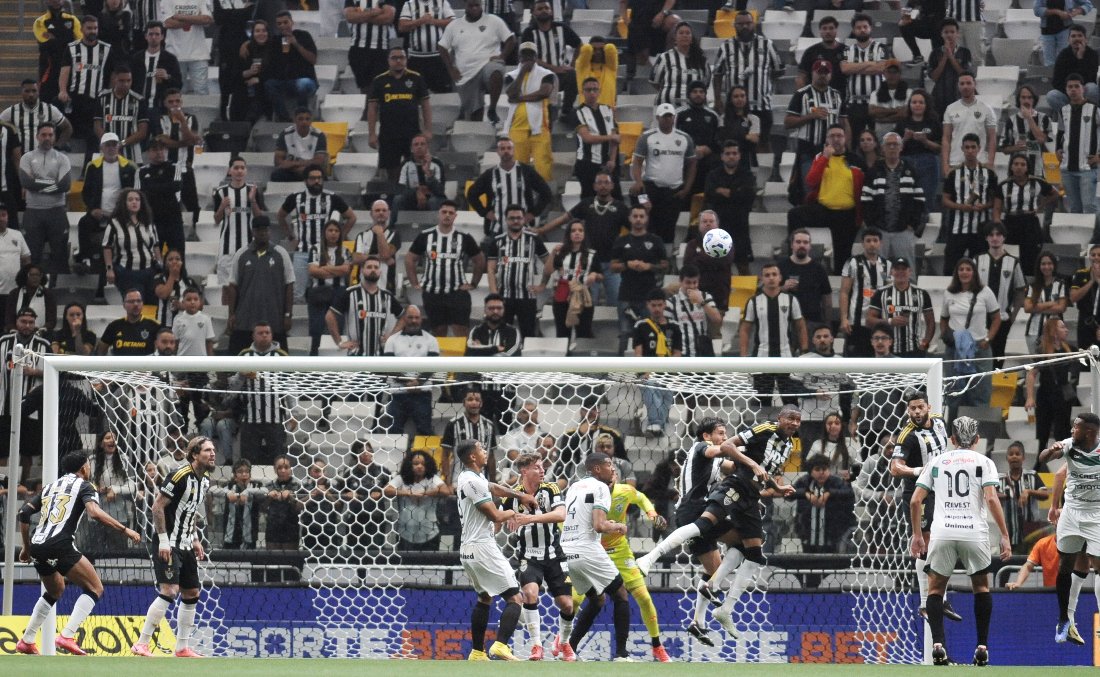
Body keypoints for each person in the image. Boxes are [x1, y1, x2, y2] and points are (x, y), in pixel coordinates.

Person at [637, 408, 801, 638]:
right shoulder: (702, 447)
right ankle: (649, 558)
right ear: (707, 435)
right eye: (721, 433)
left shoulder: (719, 461)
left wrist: (769, 482)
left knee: (723, 563)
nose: (724, 437)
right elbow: (725, 450)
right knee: (708, 534)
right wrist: (744, 450)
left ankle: (699, 621)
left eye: (725, 433)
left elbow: (736, 466)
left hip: (707, 504)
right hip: (692, 507)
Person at [14, 450, 140, 656]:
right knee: (95, 588)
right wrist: (125, 530)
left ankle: (27, 640)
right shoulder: (85, 485)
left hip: (38, 544)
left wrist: (27, 548)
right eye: (88, 464)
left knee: (55, 590)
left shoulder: (50, 487)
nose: (89, 467)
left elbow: (24, 513)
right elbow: (94, 512)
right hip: (59, 544)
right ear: (83, 468)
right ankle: (67, 635)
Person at [909, 416, 1011, 666]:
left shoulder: (936, 461)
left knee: (935, 590)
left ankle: (938, 645)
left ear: (952, 439)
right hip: (973, 532)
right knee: (981, 588)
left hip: (943, 532)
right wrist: (1005, 535)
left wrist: (917, 535)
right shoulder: (984, 462)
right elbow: (991, 498)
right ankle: (982, 647)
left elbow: (915, 500)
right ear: (977, 439)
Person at [131, 435, 216, 658]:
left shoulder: (205, 479)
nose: (212, 454)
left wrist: (195, 539)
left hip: (186, 543)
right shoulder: (179, 476)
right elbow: (157, 507)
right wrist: (164, 541)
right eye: (207, 450)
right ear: (195, 455)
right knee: (169, 590)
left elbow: (189, 510)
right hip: (167, 542)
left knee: (192, 593)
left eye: (213, 450)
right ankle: (142, 643)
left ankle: (182, 648)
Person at [453, 439, 533, 661]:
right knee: (515, 598)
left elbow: (494, 487)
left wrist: (520, 495)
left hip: (468, 549)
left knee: (484, 598)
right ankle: (500, 645)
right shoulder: (472, 481)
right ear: (472, 456)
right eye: (481, 448)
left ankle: (477, 652)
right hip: (482, 547)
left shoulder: (471, 478)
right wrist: (513, 513)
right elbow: (495, 516)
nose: (485, 451)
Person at [888, 389, 957, 621]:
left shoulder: (940, 422)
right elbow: (895, 467)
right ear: (908, 411)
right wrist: (919, 470)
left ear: (928, 407)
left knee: (942, 543)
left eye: (920, 407)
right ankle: (926, 602)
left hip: (941, 492)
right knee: (925, 545)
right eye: (912, 408)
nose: (917, 412)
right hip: (919, 494)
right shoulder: (907, 435)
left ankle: (941, 598)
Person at [558, 452, 634, 660]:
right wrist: (618, 526)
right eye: (609, 464)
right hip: (587, 548)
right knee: (620, 593)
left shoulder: (574, 486)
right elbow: (599, 525)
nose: (613, 468)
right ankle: (621, 654)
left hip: (566, 550)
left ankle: (569, 649)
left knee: (597, 599)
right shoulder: (601, 488)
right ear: (597, 469)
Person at [502, 453, 576, 660]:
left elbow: (560, 515)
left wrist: (529, 519)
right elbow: (498, 518)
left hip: (554, 555)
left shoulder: (551, 489)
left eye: (542, 467)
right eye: (537, 467)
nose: (542, 470)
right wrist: (502, 522)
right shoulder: (512, 496)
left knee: (567, 605)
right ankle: (536, 645)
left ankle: (564, 643)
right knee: (530, 593)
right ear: (524, 471)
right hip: (528, 556)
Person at [594, 465, 671, 661]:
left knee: (644, 598)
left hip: (620, 552)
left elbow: (642, 497)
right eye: (609, 472)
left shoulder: (625, 491)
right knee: (575, 601)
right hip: (593, 551)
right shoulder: (589, 493)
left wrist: (652, 515)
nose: (612, 475)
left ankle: (657, 645)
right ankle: (563, 641)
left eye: (614, 473)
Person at [1040, 412, 1100, 644]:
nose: (1072, 430)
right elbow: (1045, 459)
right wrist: (1051, 450)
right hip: (1072, 512)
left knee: (1097, 563)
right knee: (1066, 564)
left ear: (1089, 432)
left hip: (1096, 514)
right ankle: (1064, 619)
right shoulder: (1069, 445)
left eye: (1077, 427)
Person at [538, 170, 628, 306]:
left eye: (606, 182)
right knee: (587, 303)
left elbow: (636, 229)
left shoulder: (621, 207)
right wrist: (541, 230)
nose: (603, 186)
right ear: (594, 186)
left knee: (617, 303)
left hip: (612, 264)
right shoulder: (586, 203)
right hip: (588, 263)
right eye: (599, 183)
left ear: (612, 186)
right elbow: (564, 219)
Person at [787, 126, 864, 275]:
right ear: (827, 139)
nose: (836, 139)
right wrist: (825, 158)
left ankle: (840, 281)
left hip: (846, 213)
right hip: (824, 209)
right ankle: (796, 256)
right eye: (832, 136)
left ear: (845, 138)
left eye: (839, 136)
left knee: (842, 258)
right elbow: (811, 181)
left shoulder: (855, 160)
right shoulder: (820, 157)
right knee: (794, 214)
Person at [405, 200, 486, 337]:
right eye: (444, 212)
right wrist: (414, 283)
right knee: (438, 332)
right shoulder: (425, 235)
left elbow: (480, 259)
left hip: (457, 292)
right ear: (439, 214)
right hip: (433, 293)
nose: (447, 215)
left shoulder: (464, 237)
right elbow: (410, 259)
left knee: (461, 332)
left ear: (455, 216)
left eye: (451, 213)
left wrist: (473, 283)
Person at [278, 164, 356, 305]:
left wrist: (341, 237)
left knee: (325, 291)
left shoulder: (332, 198)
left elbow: (351, 217)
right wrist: (291, 236)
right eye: (313, 178)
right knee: (298, 294)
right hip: (302, 251)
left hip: (324, 252)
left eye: (319, 178)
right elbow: (280, 216)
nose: (317, 181)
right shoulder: (296, 197)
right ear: (305, 181)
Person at [437, 0, 514, 127]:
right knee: (475, 114)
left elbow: (510, 39)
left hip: (488, 65)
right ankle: (477, 131)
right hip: (466, 73)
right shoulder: (454, 25)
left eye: (477, 5)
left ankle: (492, 109)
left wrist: (502, 56)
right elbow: (442, 47)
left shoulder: (494, 20)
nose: (474, 8)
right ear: (465, 6)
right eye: (471, 5)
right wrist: (451, 68)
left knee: (496, 71)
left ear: (481, 5)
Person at [226, 216, 295, 356]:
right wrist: (231, 314)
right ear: (253, 232)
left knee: (281, 363)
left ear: (270, 231)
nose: (263, 233)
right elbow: (233, 285)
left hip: (274, 319)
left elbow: (289, 284)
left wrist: (288, 314)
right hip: (245, 319)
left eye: (266, 230)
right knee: (236, 361)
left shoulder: (281, 253)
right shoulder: (241, 254)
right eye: (259, 230)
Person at [629, 103, 697, 244]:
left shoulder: (685, 138)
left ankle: (666, 255)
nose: (667, 119)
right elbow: (637, 162)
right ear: (657, 118)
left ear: (674, 117)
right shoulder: (647, 137)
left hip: (674, 191)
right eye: (664, 116)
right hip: (651, 188)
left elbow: (692, 164)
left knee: (669, 229)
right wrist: (639, 182)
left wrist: (687, 188)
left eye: (670, 116)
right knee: (648, 226)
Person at [711, 12, 781, 147]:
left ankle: (763, 162)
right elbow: (717, 74)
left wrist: (764, 84)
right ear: (734, 25)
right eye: (740, 24)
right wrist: (717, 99)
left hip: (761, 105)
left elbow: (778, 71)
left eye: (748, 23)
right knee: (733, 144)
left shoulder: (767, 44)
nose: (744, 27)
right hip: (735, 109)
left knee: (763, 144)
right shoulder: (726, 46)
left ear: (754, 24)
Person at [940, 257, 1001, 407]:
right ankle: (953, 422)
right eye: (961, 269)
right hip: (955, 349)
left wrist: (988, 339)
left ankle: (979, 422)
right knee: (954, 393)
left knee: (980, 393)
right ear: (956, 273)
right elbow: (943, 319)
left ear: (974, 272)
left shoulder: (985, 291)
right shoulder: (949, 292)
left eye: (968, 269)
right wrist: (946, 336)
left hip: (979, 347)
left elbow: (996, 318)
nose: (964, 272)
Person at [740, 261, 808, 394]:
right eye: (767, 275)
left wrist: (804, 351)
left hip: (786, 357)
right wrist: (743, 356)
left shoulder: (791, 300)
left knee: (790, 398)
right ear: (762, 279)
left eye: (774, 274)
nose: (771, 278)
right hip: (761, 357)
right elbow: (745, 329)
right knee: (763, 399)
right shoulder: (753, 301)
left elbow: (801, 326)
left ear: (780, 277)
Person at [232, 322, 296, 464]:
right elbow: (232, 388)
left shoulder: (282, 356)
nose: (264, 336)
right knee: (248, 459)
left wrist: (293, 412)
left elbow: (290, 386)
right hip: (249, 418)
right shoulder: (244, 355)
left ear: (272, 335)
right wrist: (241, 375)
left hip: (276, 419)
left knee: (278, 459)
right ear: (253, 336)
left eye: (267, 333)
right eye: (260, 333)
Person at [610, 205, 669, 354]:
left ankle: (651, 366)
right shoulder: (621, 240)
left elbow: (666, 265)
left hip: (649, 297)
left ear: (646, 218)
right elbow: (612, 267)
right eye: (635, 216)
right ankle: (621, 367)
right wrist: (627, 265)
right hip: (626, 295)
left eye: (641, 216)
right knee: (625, 333)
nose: (638, 219)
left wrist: (649, 266)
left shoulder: (655, 240)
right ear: (630, 218)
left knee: (651, 333)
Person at [467, 137, 553, 240]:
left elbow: (546, 193)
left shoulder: (526, 171)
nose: (506, 151)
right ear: (498, 152)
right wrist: (485, 213)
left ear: (513, 150)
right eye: (502, 149)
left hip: (523, 227)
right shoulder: (490, 174)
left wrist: (533, 213)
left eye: (509, 148)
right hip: (497, 228)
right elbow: (471, 194)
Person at [367, 47, 432, 181]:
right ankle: (395, 192)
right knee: (392, 173)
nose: (398, 61)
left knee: (416, 170)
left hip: (412, 133)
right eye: (394, 58)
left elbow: (426, 106)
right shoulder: (379, 80)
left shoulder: (416, 78)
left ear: (406, 59)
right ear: (388, 60)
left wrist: (428, 130)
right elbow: (372, 108)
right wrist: (372, 134)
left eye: (401, 57)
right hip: (388, 134)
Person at [861, 133, 925, 266]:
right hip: (879, 230)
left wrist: (913, 224)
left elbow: (919, 199)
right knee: (877, 268)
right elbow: (866, 200)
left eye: (895, 144)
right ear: (883, 148)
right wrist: (871, 225)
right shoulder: (873, 171)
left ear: (901, 147)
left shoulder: (911, 170)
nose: (892, 147)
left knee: (906, 269)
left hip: (904, 229)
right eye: (888, 144)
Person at [486, 206, 550, 338]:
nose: (515, 221)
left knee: (528, 335)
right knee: (502, 334)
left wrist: (543, 285)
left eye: (519, 218)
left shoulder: (534, 239)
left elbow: (549, 264)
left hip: (527, 297)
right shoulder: (497, 241)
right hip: (504, 296)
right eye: (512, 218)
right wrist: (494, 293)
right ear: (506, 220)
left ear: (524, 219)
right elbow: (491, 269)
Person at [58, 16, 116, 158]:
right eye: (89, 28)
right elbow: (65, 71)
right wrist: (63, 91)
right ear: (82, 29)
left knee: (92, 135)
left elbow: (112, 74)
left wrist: (110, 94)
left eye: (95, 28)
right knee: (55, 106)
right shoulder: (72, 48)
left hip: (97, 99)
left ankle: (89, 166)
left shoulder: (106, 49)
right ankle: (59, 145)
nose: (93, 31)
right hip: (76, 97)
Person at [18, 122, 71, 278]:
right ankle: (31, 288)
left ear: (54, 137)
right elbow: (26, 183)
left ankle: (60, 289)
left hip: (56, 211)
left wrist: (38, 185)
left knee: (60, 256)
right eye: (43, 135)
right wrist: (52, 183)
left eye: (50, 135)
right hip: (33, 212)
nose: (47, 138)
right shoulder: (27, 157)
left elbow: (64, 185)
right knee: (32, 256)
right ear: (37, 137)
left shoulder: (63, 158)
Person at [77, 133, 135, 273]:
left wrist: (122, 210)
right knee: (84, 223)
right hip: (99, 212)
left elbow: (135, 193)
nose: (111, 148)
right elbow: (86, 192)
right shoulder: (93, 166)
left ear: (118, 146)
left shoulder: (129, 167)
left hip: (121, 214)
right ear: (101, 147)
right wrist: (92, 209)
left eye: (114, 145)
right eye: (107, 145)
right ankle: (85, 258)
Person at [942, 134, 1001, 272]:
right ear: (962, 148)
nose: (970, 150)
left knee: (981, 268)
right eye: (967, 147)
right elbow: (945, 200)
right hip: (957, 228)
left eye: (973, 147)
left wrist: (984, 206)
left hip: (981, 229)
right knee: (951, 267)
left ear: (979, 148)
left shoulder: (989, 173)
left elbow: (996, 200)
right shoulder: (953, 173)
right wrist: (961, 207)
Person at [500, 42, 555, 183]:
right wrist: (522, 72)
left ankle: (543, 194)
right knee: (518, 168)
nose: (527, 58)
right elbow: (511, 93)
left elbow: (544, 93)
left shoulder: (546, 74)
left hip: (540, 128)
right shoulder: (511, 75)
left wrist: (519, 99)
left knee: (543, 167)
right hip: (517, 128)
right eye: (524, 55)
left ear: (536, 57)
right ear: (519, 57)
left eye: (530, 55)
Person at [789, 454, 855, 571]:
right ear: (810, 471)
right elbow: (788, 494)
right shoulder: (804, 481)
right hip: (807, 534)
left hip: (833, 534)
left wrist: (830, 493)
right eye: (817, 469)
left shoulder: (836, 482)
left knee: (830, 568)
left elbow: (849, 493)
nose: (821, 473)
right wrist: (805, 494)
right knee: (810, 568)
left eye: (824, 469)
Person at [327, 255, 403, 356]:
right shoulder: (350, 293)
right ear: (362, 270)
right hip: (356, 356)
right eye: (369, 267)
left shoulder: (387, 296)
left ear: (380, 272)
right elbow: (330, 316)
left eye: (376, 267)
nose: (373, 270)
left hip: (380, 356)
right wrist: (339, 342)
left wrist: (392, 336)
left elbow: (404, 316)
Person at [151, 89, 201, 242]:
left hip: (185, 168)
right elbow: (162, 141)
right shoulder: (160, 119)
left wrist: (182, 121)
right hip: (165, 169)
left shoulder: (191, 118)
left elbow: (192, 139)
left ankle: (194, 231)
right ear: (165, 103)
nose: (174, 104)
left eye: (177, 101)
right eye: (171, 101)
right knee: (165, 203)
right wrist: (185, 142)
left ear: (182, 102)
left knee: (193, 204)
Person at [213, 156, 265, 304]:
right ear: (230, 171)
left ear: (246, 171)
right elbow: (216, 220)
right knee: (226, 287)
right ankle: (227, 316)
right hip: (227, 247)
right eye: (236, 168)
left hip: (249, 247)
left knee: (250, 286)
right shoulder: (221, 192)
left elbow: (260, 219)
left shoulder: (253, 190)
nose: (239, 171)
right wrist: (222, 207)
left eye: (242, 168)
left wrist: (252, 200)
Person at [382, 305, 439, 435]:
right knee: (394, 432)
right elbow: (389, 366)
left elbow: (433, 365)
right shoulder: (392, 340)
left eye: (416, 317)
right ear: (404, 319)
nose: (414, 320)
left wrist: (418, 382)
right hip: (398, 393)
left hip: (422, 393)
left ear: (421, 319)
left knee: (425, 431)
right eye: (410, 317)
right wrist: (407, 382)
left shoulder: (431, 340)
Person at [521, 0, 581, 122]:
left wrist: (573, 64)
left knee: (572, 74)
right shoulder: (529, 32)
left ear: (551, 11)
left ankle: (566, 111)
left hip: (559, 76)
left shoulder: (562, 28)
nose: (544, 10)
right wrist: (553, 68)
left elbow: (579, 45)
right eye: (540, 9)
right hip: (536, 75)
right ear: (533, 13)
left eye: (546, 8)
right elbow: (528, 58)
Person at [1026, 318, 1079, 451]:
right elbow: (1031, 374)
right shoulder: (1042, 351)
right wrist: (1030, 397)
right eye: (1062, 327)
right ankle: (1040, 458)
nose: (1066, 330)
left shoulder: (1070, 349)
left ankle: (1066, 456)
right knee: (1042, 431)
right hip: (1046, 394)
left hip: (1063, 395)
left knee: (1063, 430)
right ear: (1054, 332)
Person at [633, 289, 681, 435]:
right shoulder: (641, 325)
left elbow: (677, 353)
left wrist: (671, 373)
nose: (657, 309)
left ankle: (657, 425)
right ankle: (656, 424)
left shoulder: (674, 326)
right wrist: (646, 371)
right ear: (648, 305)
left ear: (665, 304)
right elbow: (638, 353)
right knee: (650, 385)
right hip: (648, 372)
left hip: (668, 373)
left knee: (666, 398)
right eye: (653, 305)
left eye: (660, 305)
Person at [976, 223, 1026, 362]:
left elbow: (1020, 290)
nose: (995, 238)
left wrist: (1013, 315)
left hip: (1003, 317)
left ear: (1004, 237)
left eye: (998, 234)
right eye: (991, 235)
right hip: (980, 317)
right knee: (979, 356)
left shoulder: (1013, 262)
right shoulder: (977, 260)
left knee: (998, 356)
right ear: (986, 238)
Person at [837, 229, 891, 357]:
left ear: (880, 243)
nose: (872, 244)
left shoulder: (887, 264)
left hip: (879, 321)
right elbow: (844, 292)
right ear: (862, 243)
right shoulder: (852, 262)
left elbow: (890, 294)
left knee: (878, 359)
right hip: (856, 321)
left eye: (875, 240)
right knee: (856, 360)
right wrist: (844, 319)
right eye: (868, 241)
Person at [1000, 154, 1056, 277]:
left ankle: (1029, 283)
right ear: (1011, 167)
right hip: (1010, 223)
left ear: (1027, 167)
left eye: (1022, 164)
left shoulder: (1037, 182)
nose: (1019, 167)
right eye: (1016, 164)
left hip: (1030, 223)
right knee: (1009, 257)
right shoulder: (1004, 184)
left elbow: (1054, 194)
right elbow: (996, 207)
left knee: (1031, 257)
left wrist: (1040, 207)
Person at [541, 219, 598, 340]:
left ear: (584, 234)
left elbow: (600, 274)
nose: (577, 233)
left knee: (584, 333)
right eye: (573, 231)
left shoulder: (592, 254)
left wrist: (594, 275)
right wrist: (553, 253)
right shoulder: (561, 253)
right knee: (562, 334)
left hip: (583, 295)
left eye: (580, 230)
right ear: (568, 234)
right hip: (562, 295)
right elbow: (548, 271)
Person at [866, 257, 935, 357]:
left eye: (903, 269)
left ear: (910, 271)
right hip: (889, 350)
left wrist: (925, 343)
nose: (900, 272)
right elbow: (869, 321)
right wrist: (890, 321)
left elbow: (931, 321)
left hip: (915, 350)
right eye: (897, 269)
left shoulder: (922, 293)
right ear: (891, 272)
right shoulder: (881, 293)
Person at [103, 188, 161, 303]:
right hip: (127, 272)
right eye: (130, 200)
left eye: (137, 199)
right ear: (124, 203)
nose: (134, 202)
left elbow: (156, 245)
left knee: (152, 305)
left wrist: (160, 264)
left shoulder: (148, 223)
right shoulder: (115, 223)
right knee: (135, 304)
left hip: (150, 271)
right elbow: (107, 247)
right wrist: (109, 269)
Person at [0, 79, 71, 172]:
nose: (31, 94)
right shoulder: (12, 111)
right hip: (20, 159)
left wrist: (57, 146)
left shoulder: (50, 109)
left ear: (38, 92)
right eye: (27, 91)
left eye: (34, 91)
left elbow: (67, 128)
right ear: (21, 92)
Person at [842, 13, 894, 137]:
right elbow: (845, 69)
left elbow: (881, 68)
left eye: (865, 27)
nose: (862, 30)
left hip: (877, 102)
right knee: (855, 139)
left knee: (878, 138)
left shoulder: (881, 47)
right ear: (853, 30)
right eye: (858, 27)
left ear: (870, 28)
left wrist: (854, 68)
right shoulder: (847, 50)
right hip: (855, 103)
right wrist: (870, 63)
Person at [1056, 73, 1100, 216]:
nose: (1073, 90)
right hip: (1067, 168)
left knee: (1089, 207)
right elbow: (1061, 133)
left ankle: (1096, 231)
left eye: (1076, 86)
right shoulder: (1063, 110)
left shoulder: (1095, 110)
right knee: (1074, 208)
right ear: (1066, 90)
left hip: (1087, 167)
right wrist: (1058, 149)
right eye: (1070, 87)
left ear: (1083, 89)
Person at [306, 220, 353, 355]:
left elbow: (346, 270)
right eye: (330, 230)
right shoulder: (315, 249)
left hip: (339, 293)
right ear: (324, 232)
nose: (333, 233)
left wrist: (325, 268)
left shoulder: (345, 250)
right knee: (316, 330)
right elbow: (313, 271)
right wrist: (336, 270)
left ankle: (336, 359)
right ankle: (314, 361)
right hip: (318, 294)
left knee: (337, 329)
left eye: (336, 231)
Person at [384, 450, 446, 551]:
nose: (420, 466)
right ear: (410, 465)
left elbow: (445, 491)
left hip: (430, 533)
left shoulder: (433, 478)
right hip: (405, 534)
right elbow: (387, 490)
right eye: (416, 464)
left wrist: (425, 493)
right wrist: (408, 493)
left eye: (423, 464)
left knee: (431, 561)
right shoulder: (401, 478)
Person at [894, 89, 942, 216]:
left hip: (928, 162)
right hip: (906, 162)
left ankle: (925, 224)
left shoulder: (933, 122)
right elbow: (894, 148)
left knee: (927, 199)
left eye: (921, 102)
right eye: (914, 102)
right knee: (905, 199)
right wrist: (904, 139)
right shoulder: (902, 123)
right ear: (909, 105)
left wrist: (925, 141)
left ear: (926, 105)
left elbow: (940, 148)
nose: (917, 105)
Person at [265, 11, 318, 122]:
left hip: (306, 80)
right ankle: (284, 118)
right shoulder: (275, 41)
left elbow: (313, 59)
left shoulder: (303, 35)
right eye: (279, 24)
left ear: (292, 22)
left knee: (302, 83)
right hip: (286, 82)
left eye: (285, 22)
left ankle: (301, 116)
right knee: (269, 84)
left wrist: (296, 44)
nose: (283, 26)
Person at [941, 71, 997, 176]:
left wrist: (990, 162)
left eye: (968, 83)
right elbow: (946, 138)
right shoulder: (950, 109)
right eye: (962, 84)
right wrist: (945, 165)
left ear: (975, 84)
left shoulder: (986, 109)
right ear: (958, 86)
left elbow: (992, 137)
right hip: (956, 162)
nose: (965, 86)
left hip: (980, 162)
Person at [572, 78, 620, 199]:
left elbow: (616, 138)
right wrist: (610, 137)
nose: (592, 93)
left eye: (595, 89)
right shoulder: (578, 112)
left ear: (599, 91)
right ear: (582, 92)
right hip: (587, 163)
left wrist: (612, 160)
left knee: (616, 198)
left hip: (608, 162)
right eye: (588, 90)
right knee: (589, 200)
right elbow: (587, 138)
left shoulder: (608, 109)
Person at [997, 441, 1049, 548]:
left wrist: (1029, 491)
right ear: (1007, 458)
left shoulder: (1032, 475)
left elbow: (1045, 495)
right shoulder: (1000, 478)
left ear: (1023, 457)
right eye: (1011, 454)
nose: (1014, 456)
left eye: (1017, 454)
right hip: (1008, 531)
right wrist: (1006, 495)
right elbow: (991, 496)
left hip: (1031, 530)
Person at [397, 0, 456, 94]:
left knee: (443, 92)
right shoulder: (409, 4)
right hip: (416, 58)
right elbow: (401, 26)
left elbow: (453, 22)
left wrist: (433, 21)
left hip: (438, 57)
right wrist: (420, 21)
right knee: (413, 92)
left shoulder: (442, 2)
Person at [95, 65, 148, 165]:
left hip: (132, 154)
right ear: (114, 79)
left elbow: (142, 132)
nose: (126, 84)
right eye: (122, 81)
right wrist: (110, 143)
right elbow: (97, 127)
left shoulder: (139, 100)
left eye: (128, 80)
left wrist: (121, 144)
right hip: (107, 151)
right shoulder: (102, 98)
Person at [777, 229, 832, 325]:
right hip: (787, 320)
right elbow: (769, 293)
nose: (802, 245)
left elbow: (827, 299)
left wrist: (827, 323)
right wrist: (783, 288)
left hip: (813, 321)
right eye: (798, 242)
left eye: (805, 242)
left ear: (810, 246)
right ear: (791, 245)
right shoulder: (780, 267)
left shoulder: (819, 269)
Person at [33, 0, 81, 106]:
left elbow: (80, 42)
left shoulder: (73, 20)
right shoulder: (40, 22)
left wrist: (54, 38)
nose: (55, 1)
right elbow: (45, 42)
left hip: (69, 66)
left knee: (69, 102)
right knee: (46, 102)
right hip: (49, 67)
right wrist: (67, 40)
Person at [651, 22, 709, 109]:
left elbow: (705, 83)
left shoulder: (702, 60)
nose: (684, 35)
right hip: (667, 108)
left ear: (692, 38)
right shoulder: (665, 57)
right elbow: (654, 81)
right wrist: (670, 91)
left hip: (693, 108)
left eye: (688, 33)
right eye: (681, 33)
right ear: (675, 38)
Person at [667, 263, 721, 358]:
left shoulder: (705, 296)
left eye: (695, 282)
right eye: (688, 282)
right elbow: (666, 330)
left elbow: (717, 319)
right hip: (682, 354)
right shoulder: (671, 302)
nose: (692, 286)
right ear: (680, 281)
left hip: (703, 353)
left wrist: (701, 302)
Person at [676, 81, 721, 193]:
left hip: (707, 160)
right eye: (695, 92)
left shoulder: (713, 115)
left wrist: (708, 149)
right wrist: (692, 150)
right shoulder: (678, 114)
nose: (698, 94)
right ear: (689, 94)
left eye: (701, 92)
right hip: (684, 159)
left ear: (705, 94)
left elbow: (719, 139)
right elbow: (673, 137)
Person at [344, 0, 397, 95]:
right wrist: (374, 13)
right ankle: (367, 104)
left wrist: (361, 15)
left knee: (379, 87)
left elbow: (388, 18)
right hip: (358, 49)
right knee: (365, 88)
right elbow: (350, 17)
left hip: (381, 49)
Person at [161, 0, 213, 95]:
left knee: (201, 92)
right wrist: (196, 18)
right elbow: (168, 23)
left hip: (199, 54)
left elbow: (207, 19)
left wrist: (180, 17)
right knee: (176, 92)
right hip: (174, 54)